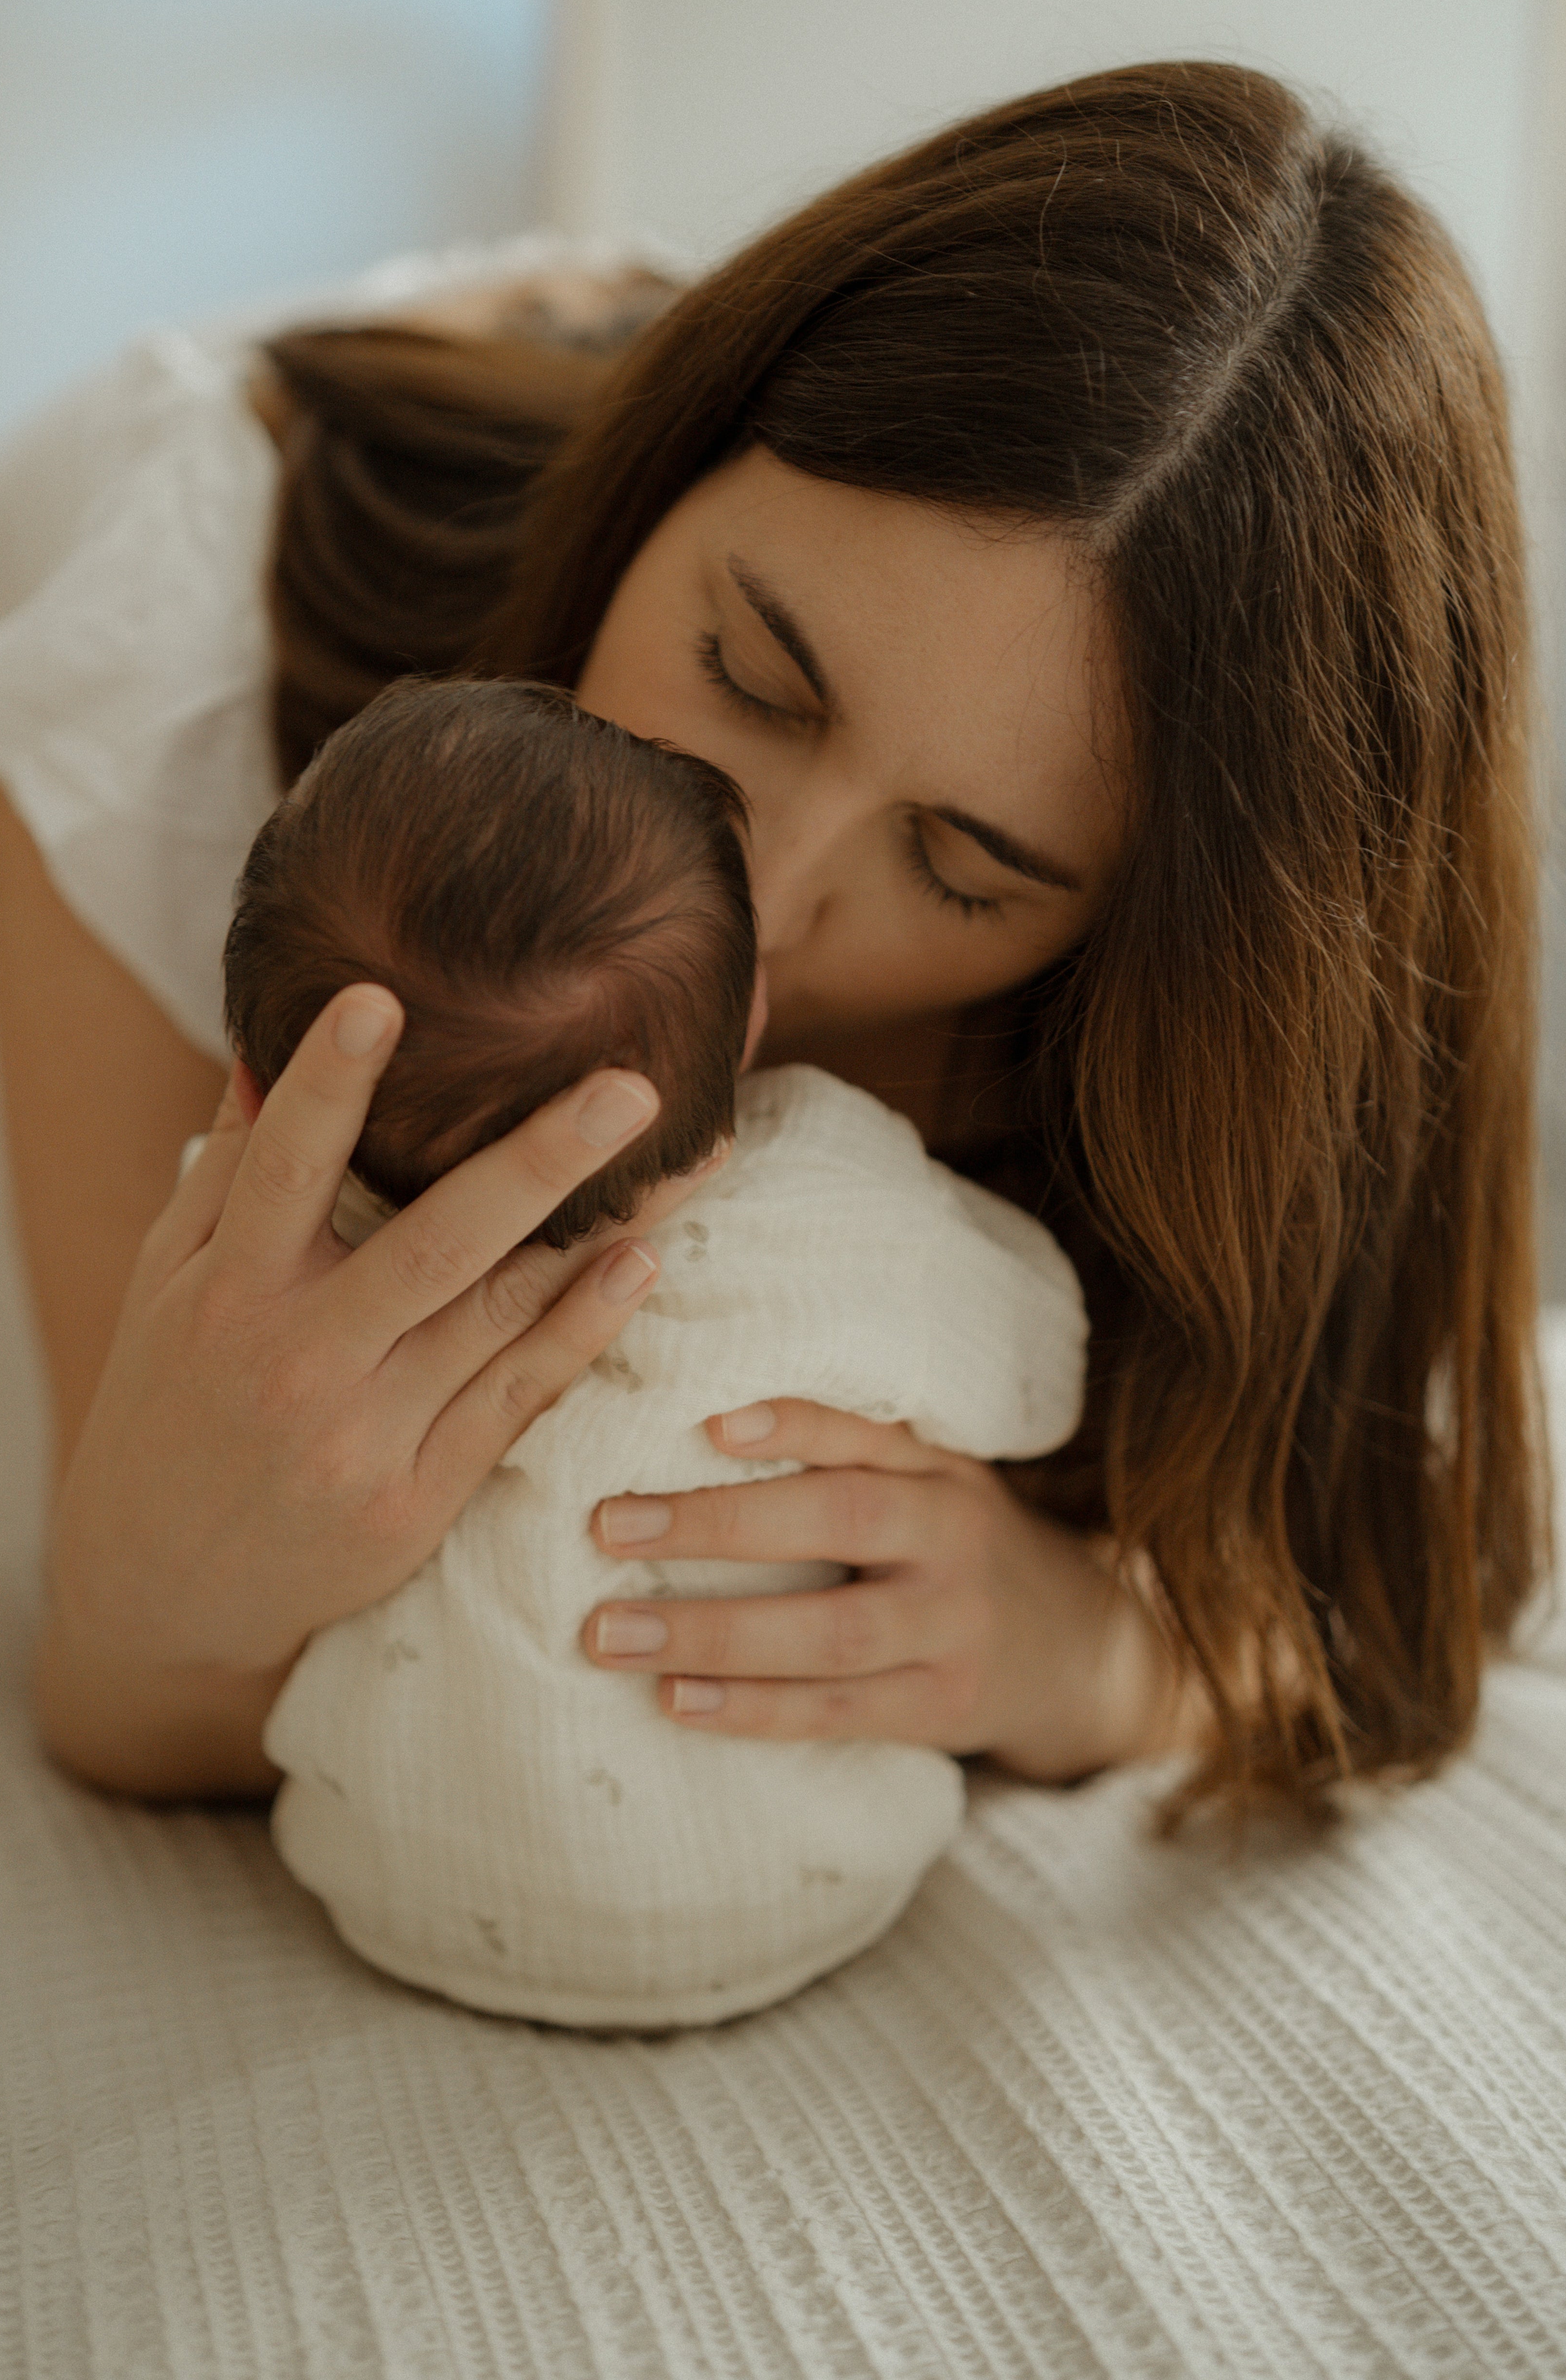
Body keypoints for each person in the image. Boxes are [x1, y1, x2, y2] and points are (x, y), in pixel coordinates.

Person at [0, 58, 1546, 1841]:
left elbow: (1369, 1613)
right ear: (681, 474)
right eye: (750, 677)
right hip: (267, 552)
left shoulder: (1246, 995)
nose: (769, 898)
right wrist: (157, 1570)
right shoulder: (172, 661)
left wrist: (1085, 1654)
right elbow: (131, 1671)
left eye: (964, 871)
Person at [216, 671, 1085, 2026]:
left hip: (384, 1874)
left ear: (269, 1081)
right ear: (740, 1025)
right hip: (795, 1877)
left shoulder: (291, 1266)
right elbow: (1040, 1367)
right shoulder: (824, 1200)